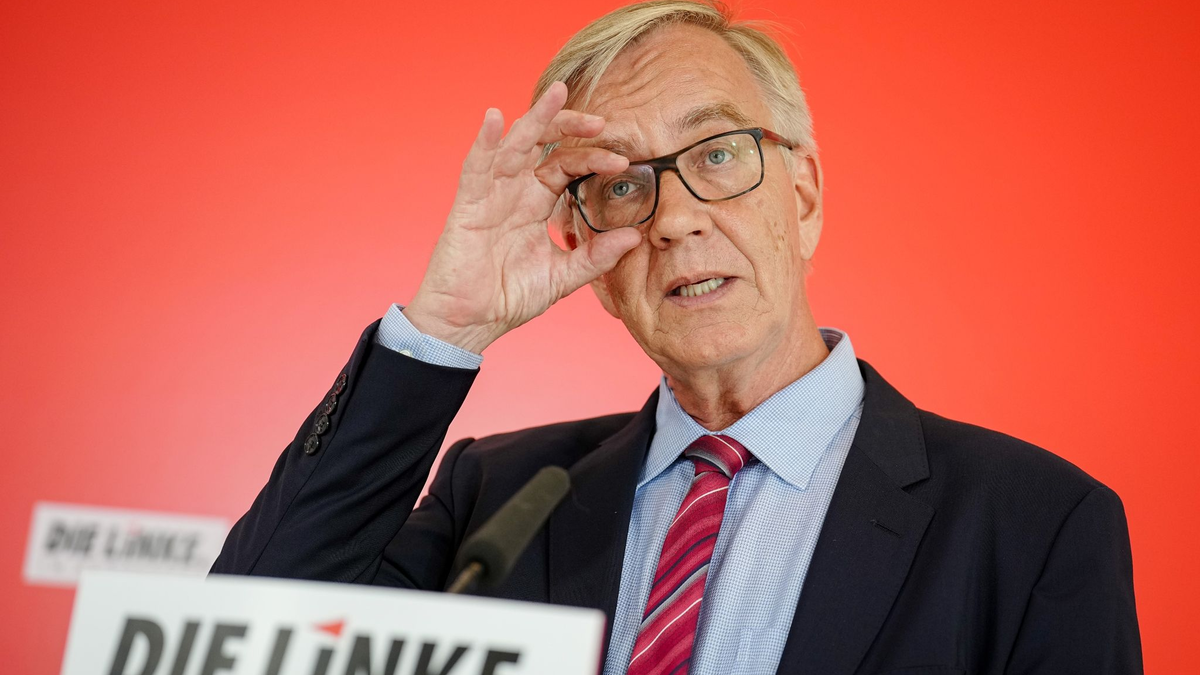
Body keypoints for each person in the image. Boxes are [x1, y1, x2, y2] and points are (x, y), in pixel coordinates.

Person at [211, 1, 1142, 673]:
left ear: (804, 195)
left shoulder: (1037, 523)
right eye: (622, 184)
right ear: (587, 255)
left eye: (718, 154)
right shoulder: (497, 495)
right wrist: (446, 324)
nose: (674, 219)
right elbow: (248, 637)